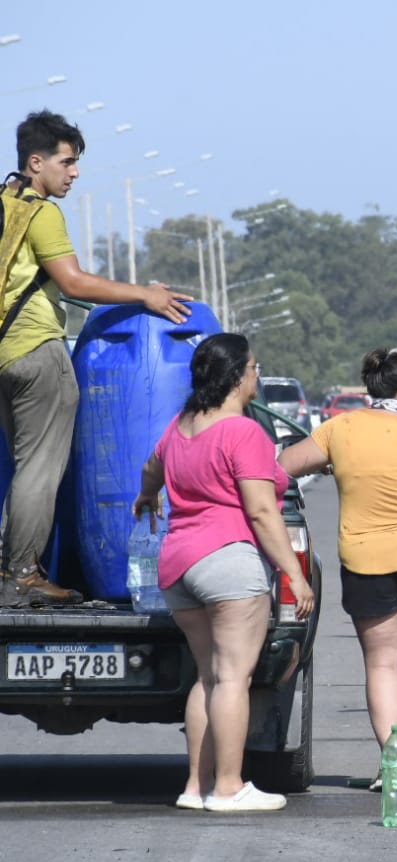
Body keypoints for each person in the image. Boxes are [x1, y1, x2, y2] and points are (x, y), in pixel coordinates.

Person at [1, 110, 192, 605]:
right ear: (35, 162)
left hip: (3, 355)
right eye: (67, 162)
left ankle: (12, 568)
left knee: (23, 468)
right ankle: (19, 575)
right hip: (37, 353)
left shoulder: (3, 207)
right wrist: (142, 296)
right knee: (40, 469)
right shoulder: (41, 212)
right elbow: (73, 281)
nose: (74, 173)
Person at [131, 334, 314, 812]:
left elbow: (152, 466)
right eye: (253, 367)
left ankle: (196, 785)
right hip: (227, 562)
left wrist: (147, 496)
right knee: (235, 677)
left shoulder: (181, 426)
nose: (256, 375)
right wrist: (294, 573)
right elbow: (260, 512)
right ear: (237, 377)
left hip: (177, 567)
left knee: (209, 677)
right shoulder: (243, 432)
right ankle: (229, 788)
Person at [279, 348, 397, 776]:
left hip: (366, 559)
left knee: (381, 663)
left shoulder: (339, 428)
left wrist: (335, 466)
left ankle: (393, 763)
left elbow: (281, 467)